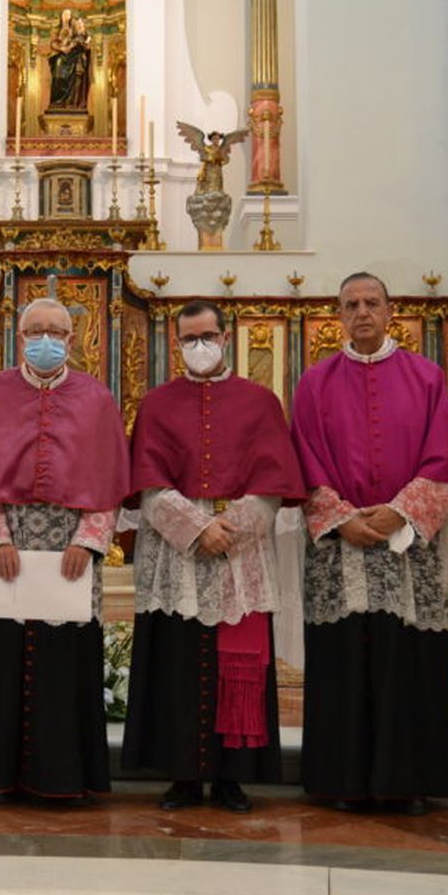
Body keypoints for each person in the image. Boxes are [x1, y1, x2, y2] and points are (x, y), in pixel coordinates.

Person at [122, 300, 306, 813]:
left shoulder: (260, 402)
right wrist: (197, 528)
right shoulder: (157, 404)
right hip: (177, 556)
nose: (198, 347)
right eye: (188, 339)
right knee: (177, 662)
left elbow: (273, 486)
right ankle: (182, 776)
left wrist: (231, 527)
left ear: (226, 339)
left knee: (237, 668)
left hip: (239, 553)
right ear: (175, 343)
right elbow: (149, 485)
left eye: (207, 336)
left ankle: (232, 776)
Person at [289, 272, 448, 815]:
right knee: (343, 660)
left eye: (371, 302)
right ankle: (343, 780)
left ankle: (406, 780)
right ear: (337, 315)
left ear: (391, 310)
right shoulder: (314, 382)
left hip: (405, 544)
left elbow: (441, 457)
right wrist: (341, 519)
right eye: (350, 304)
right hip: (339, 546)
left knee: (405, 658)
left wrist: (397, 514)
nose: (362, 312)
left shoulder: (427, 376)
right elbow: (304, 458)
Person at [0, 298, 128, 803]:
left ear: (73, 341)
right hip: (3, 554)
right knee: (2, 656)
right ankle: (3, 772)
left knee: (63, 662)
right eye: (36, 330)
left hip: (69, 554)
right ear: (19, 337)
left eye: (57, 330)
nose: (46, 339)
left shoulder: (96, 398)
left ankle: (63, 773)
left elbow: (111, 479)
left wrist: (89, 541)